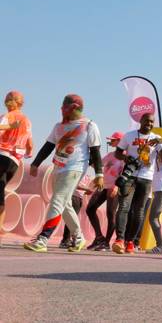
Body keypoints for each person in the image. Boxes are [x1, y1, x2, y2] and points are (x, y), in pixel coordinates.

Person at [24, 94, 104, 253]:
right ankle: (79, 237)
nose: (61, 109)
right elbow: (48, 146)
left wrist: (99, 174)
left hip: (75, 168)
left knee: (57, 201)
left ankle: (43, 238)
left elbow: (95, 151)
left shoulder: (89, 126)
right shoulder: (58, 126)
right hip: (58, 167)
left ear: (74, 107)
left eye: (64, 106)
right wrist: (35, 163)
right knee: (65, 204)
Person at [112, 113, 162, 254]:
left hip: (146, 178)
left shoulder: (155, 138)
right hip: (129, 176)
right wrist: (127, 158)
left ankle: (130, 241)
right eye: (147, 121)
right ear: (141, 121)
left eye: (151, 122)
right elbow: (117, 153)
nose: (149, 124)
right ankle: (119, 240)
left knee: (139, 211)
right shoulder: (129, 135)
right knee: (124, 207)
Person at [0, 91, 33, 244]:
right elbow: (30, 145)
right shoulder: (27, 121)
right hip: (15, 162)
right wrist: (28, 153)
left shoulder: (8, 116)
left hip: (2, 154)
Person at [86, 132, 124, 251]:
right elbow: (97, 165)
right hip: (103, 186)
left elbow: (124, 172)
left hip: (114, 187)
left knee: (110, 214)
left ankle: (106, 243)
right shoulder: (110, 155)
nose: (110, 142)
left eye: (113, 140)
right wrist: (91, 153)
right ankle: (99, 237)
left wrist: (117, 186)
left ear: (119, 141)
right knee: (90, 209)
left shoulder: (125, 156)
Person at [59, 174, 93, 248]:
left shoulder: (86, 174)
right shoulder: (78, 171)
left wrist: (86, 191)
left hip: (79, 197)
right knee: (71, 219)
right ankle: (65, 240)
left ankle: (70, 239)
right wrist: (86, 189)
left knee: (73, 218)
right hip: (74, 196)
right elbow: (74, 184)